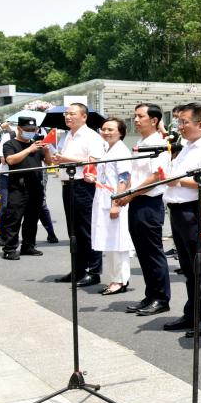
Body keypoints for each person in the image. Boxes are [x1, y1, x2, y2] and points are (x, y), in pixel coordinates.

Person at [155, 104, 201, 332]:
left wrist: (178, 181)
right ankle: (191, 312)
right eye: (179, 122)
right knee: (187, 266)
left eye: (184, 122)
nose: (180, 127)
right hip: (177, 209)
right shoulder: (187, 146)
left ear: (200, 124)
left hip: (195, 209)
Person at [121, 104, 172, 316]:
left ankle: (161, 298)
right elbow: (136, 173)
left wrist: (130, 193)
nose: (136, 120)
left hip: (149, 203)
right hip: (137, 201)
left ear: (154, 120)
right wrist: (127, 193)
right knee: (142, 252)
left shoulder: (159, 144)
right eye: (135, 116)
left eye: (141, 116)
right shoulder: (141, 142)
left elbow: (157, 177)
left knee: (152, 252)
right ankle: (151, 294)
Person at [45, 103, 107, 280]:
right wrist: (56, 158)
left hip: (84, 185)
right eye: (66, 114)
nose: (67, 117)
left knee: (86, 228)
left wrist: (66, 159)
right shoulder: (67, 136)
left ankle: (93, 271)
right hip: (68, 184)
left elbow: (95, 161)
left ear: (84, 117)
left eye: (72, 114)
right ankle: (78, 269)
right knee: (73, 230)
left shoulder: (91, 136)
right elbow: (62, 159)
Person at [90, 118, 132, 296]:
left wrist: (117, 204)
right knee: (109, 242)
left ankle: (120, 280)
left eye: (111, 129)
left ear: (121, 132)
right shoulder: (109, 149)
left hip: (115, 202)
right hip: (104, 198)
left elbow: (124, 177)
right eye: (104, 129)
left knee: (118, 243)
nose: (106, 132)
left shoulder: (121, 150)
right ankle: (114, 278)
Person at [0, 116, 47, 260]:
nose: (31, 132)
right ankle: (9, 248)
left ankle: (28, 246)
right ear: (19, 129)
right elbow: (11, 160)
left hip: (36, 186)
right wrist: (29, 149)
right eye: (27, 130)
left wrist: (47, 150)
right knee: (14, 218)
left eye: (33, 130)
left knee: (32, 219)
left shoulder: (37, 145)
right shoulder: (10, 144)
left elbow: (49, 162)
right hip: (18, 186)